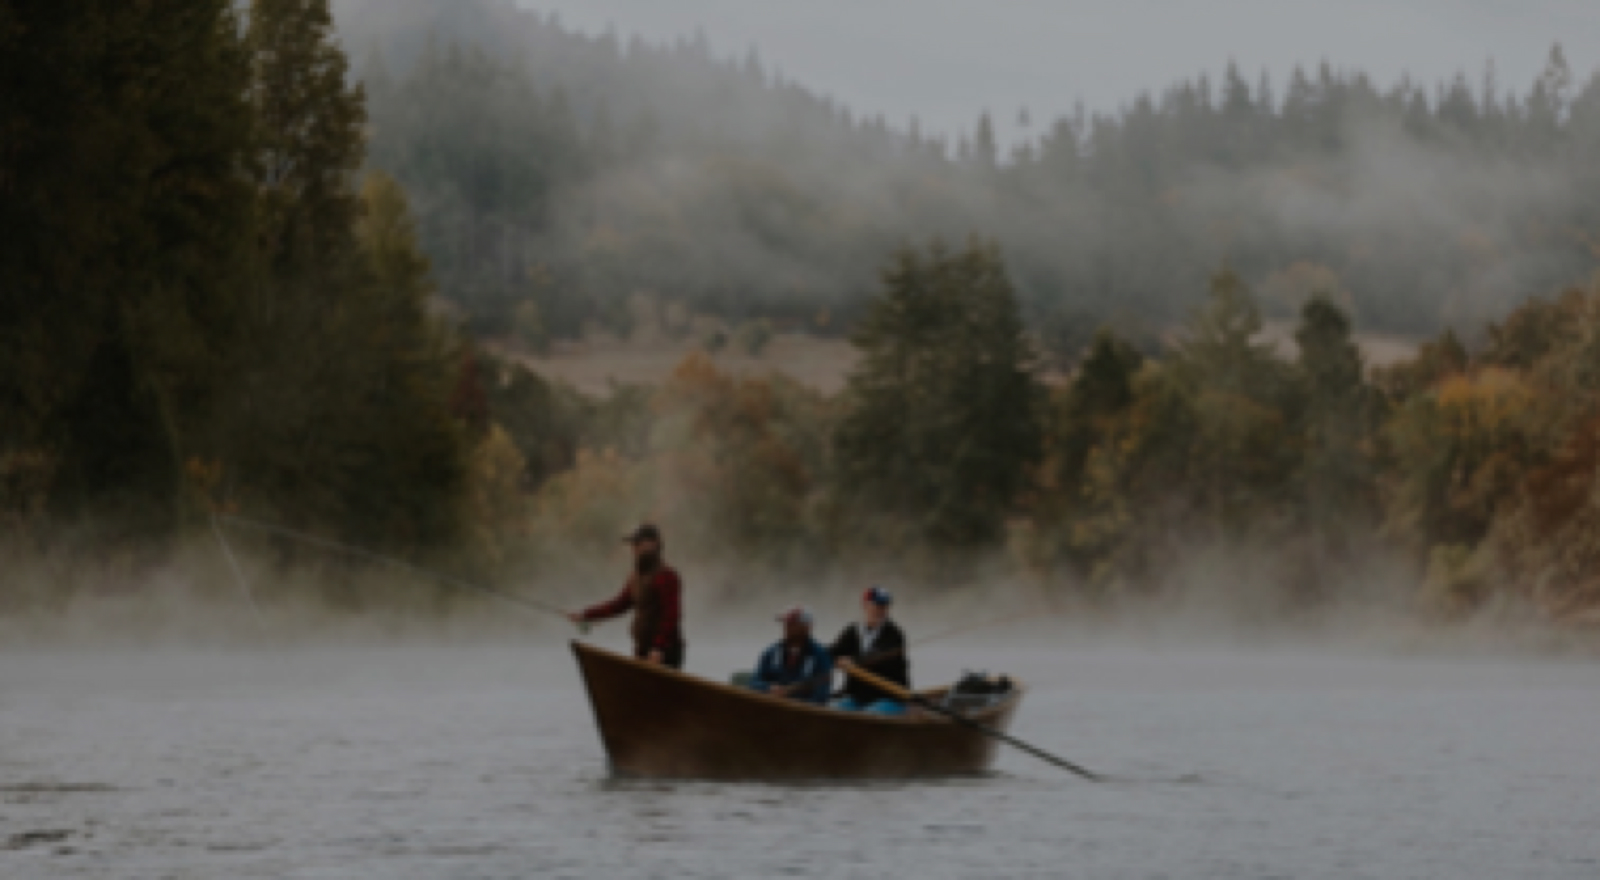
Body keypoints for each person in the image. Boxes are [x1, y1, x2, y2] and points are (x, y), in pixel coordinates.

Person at [567, 523, 685, 669]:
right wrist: (585, 615)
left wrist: (658, 648)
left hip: (665, 652)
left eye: (638, 543)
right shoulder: (635, 577)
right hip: (643, 649)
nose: (634, 548)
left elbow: (671, 616)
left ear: (655, 543)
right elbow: (618, 605)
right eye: (633, 544)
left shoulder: (667, 576)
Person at [828, 586, 909, 715]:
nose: (882, 611)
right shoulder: (852, 631)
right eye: (877, 606)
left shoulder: (894, 634)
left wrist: (852, 662)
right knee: (830, 710)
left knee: (867, 715)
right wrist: (833, 659)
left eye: (885, 607)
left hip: (890, 698)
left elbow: (880, 659)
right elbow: (833, 652)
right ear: (865, 606)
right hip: (858, 698)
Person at [749, 607, 833, 705]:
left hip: (803, 713)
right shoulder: (771, 652)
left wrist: (795, 704)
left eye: (792, 624)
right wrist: (769, 688)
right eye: (785, 624)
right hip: (772, 707)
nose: (786, 628)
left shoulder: (820, 656)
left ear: (806, 628)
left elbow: (821, 696)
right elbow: (754, 682)